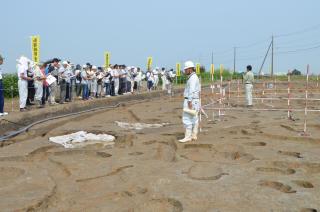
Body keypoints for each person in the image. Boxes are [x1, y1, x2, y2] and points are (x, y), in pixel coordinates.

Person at [179, 61, 200, 143]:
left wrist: (189, 101)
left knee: (187, 118)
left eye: (186, 69)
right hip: (195, 100)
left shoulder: (193, 78)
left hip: (191, 100)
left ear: (190, 69)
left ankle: (188, 137)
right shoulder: (194, 77)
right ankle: (194, 135)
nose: (185, 71)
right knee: (194, 118)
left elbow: (191, 90)